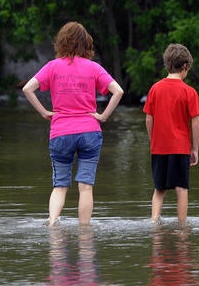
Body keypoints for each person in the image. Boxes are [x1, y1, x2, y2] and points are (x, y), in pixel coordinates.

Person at [22, 21, 124, 226]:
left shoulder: (52, 67)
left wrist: (43, 112)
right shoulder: (94, 67)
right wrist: (103, 116)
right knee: (85, 187)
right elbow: (118, 91)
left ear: (61, 42)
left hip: (60, 132)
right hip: (89, 131)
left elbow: (27, 88)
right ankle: (85, 231)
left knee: (60, 186)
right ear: (86, 43)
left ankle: (52, 223)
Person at [143, 43, 199, 225]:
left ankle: (154, 221)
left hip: (159, 147)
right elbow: (195, 122)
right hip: (180, 148)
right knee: (181, 188)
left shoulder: (155, 89)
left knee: (159, 188)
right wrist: (195, 149)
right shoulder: (189, 92)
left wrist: (153, 139)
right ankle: (182, 226)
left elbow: (148, 118)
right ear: (185, 66)